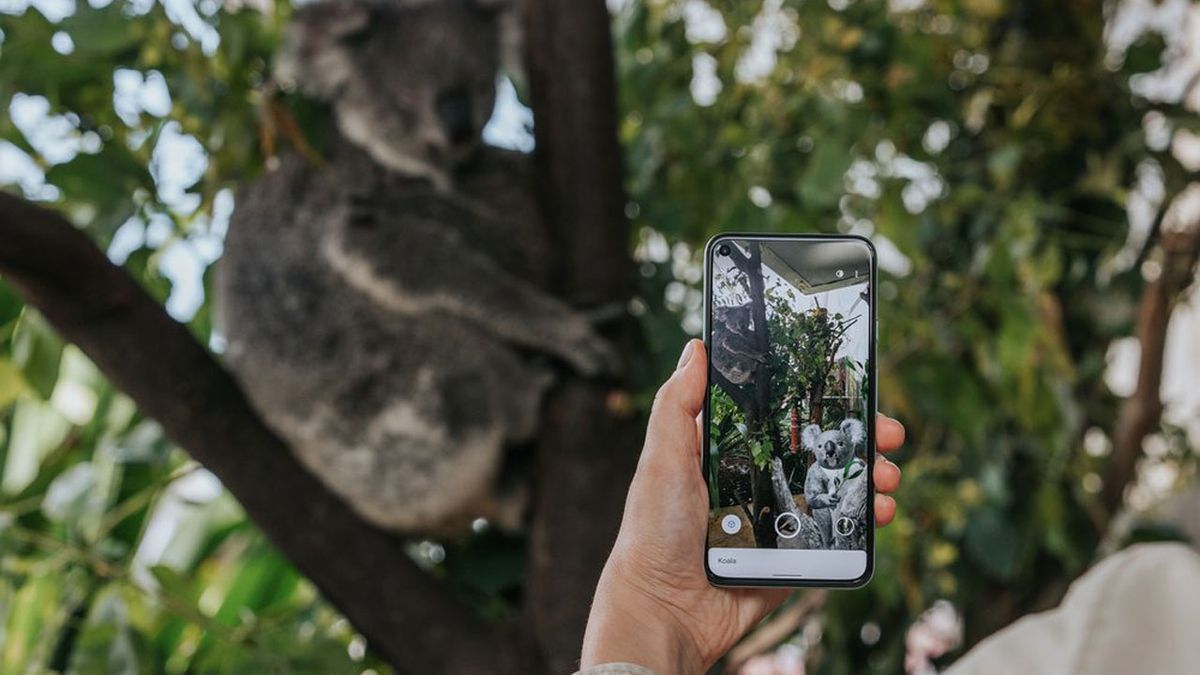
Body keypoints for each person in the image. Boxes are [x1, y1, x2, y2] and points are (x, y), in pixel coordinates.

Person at [575, 339, 906, 674]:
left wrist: (654, 604)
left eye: (837, 445)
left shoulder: (856, 469)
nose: (832, 450)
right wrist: (655, 597)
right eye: (825, 446)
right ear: (815, 444)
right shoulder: (815, 470)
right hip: (816, 525)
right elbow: (813, 495)